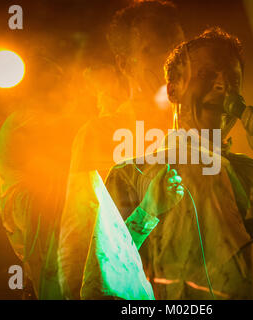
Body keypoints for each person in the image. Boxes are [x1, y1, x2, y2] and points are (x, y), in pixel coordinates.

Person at [104, 28, 253, 299]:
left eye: (234, 80)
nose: (223, 86)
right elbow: (109, 274)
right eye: (206, 74)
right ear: (173, 90)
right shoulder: (132, 174)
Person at [57, 0, 185, 299]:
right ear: (125, 64)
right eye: (153, 50)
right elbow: (80, 245)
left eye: (179, 49)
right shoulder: (99, 135)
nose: (172, 62)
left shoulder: (204, 131)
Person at [0, 55, 90, 299]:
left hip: (39, 206)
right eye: (53, 83)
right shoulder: (23, 123)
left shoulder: (41, 119)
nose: (61, 90)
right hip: (32, 205)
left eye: (60, 81)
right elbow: (48, 171)